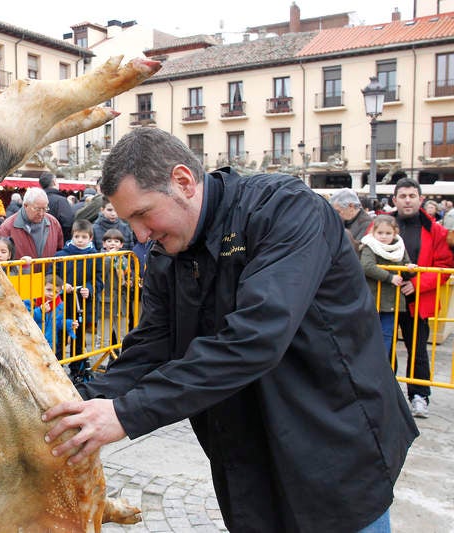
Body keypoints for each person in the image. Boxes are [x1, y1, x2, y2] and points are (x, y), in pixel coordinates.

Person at [42, 128, 417, 533]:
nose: (140, 235)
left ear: (183, 182)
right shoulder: (168, 252)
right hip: (248, 457)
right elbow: (151, 346)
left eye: (142, 214)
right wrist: (76, 405)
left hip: (332, 444)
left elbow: (255, 337)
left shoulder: (285, 209)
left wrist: (126, 413)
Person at [393, 178, 454, 418]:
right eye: (403, 196)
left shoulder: (435, 230)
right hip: (386, 299)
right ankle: (388, 393)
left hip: (418, 300)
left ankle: (419, 395)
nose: (407, 200)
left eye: (412, 195)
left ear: (420, 198)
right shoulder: (382, 224)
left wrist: (416, 285)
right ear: (394, 199)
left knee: (417, 350)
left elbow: (443, 266)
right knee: (384, 349)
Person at [53, 219, 103, 380]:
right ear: (72, 236)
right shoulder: (61, 255)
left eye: (83, 237)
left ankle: (77, 370)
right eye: (77, 237)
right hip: (63, 303)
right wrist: (61, 286)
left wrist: (90, 288)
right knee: (60, 335)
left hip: (83, 304)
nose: (80, 240)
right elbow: (52, 275)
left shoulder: (95, 256)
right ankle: (58, 367)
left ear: (90, 238)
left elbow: (99, 279)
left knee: (79, 337)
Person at [359, 215, 413, 358]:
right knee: (368, 334)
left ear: (394, 233)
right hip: (373, 298)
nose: (383, 237)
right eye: (380, 233)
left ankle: (381, 362)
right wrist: (389, 277)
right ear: (373, 232)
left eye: (388, 233)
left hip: (391, 301)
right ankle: (369, 362)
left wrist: (410, 268)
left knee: (387, 334)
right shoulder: (369, 246)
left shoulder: (400, 247)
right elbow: (367, 266)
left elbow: (405, 263)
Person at [0, 187, 63, 259]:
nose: (41, 213)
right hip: (19, 270)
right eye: (37, 209)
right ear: (25, 205)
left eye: (45, 209)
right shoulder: (7, 228)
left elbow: (59, 251)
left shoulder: (54, 223)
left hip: (50, 270)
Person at [24, 275, 78, 351]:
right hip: (32, 342)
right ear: (41, 287)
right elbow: (25, 318)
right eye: (49, 290)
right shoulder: (32, 300)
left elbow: (58, 322)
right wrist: (40, 311)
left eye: (56, 292)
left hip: (49, 344)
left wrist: (69, 324)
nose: (52, 294)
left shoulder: (60, 305)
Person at [97, 228, 130, 352]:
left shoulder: (124, 259)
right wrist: (110, 258)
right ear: (104, 244)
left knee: (123, 335)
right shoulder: (101, 257)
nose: (112, 244)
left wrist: (129, 280)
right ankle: (101, 363)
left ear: (121, 245)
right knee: (103, 336)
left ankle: (123, 360)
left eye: (116, 241)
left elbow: (127, 277)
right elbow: (102, 273)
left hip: (121, 303)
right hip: (106, 302)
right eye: (109, 241)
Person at [39, 172, 74, 241]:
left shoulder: (36, 199)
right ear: (54, 182)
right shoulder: (61, 201)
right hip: (57, 242)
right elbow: (68, 222)